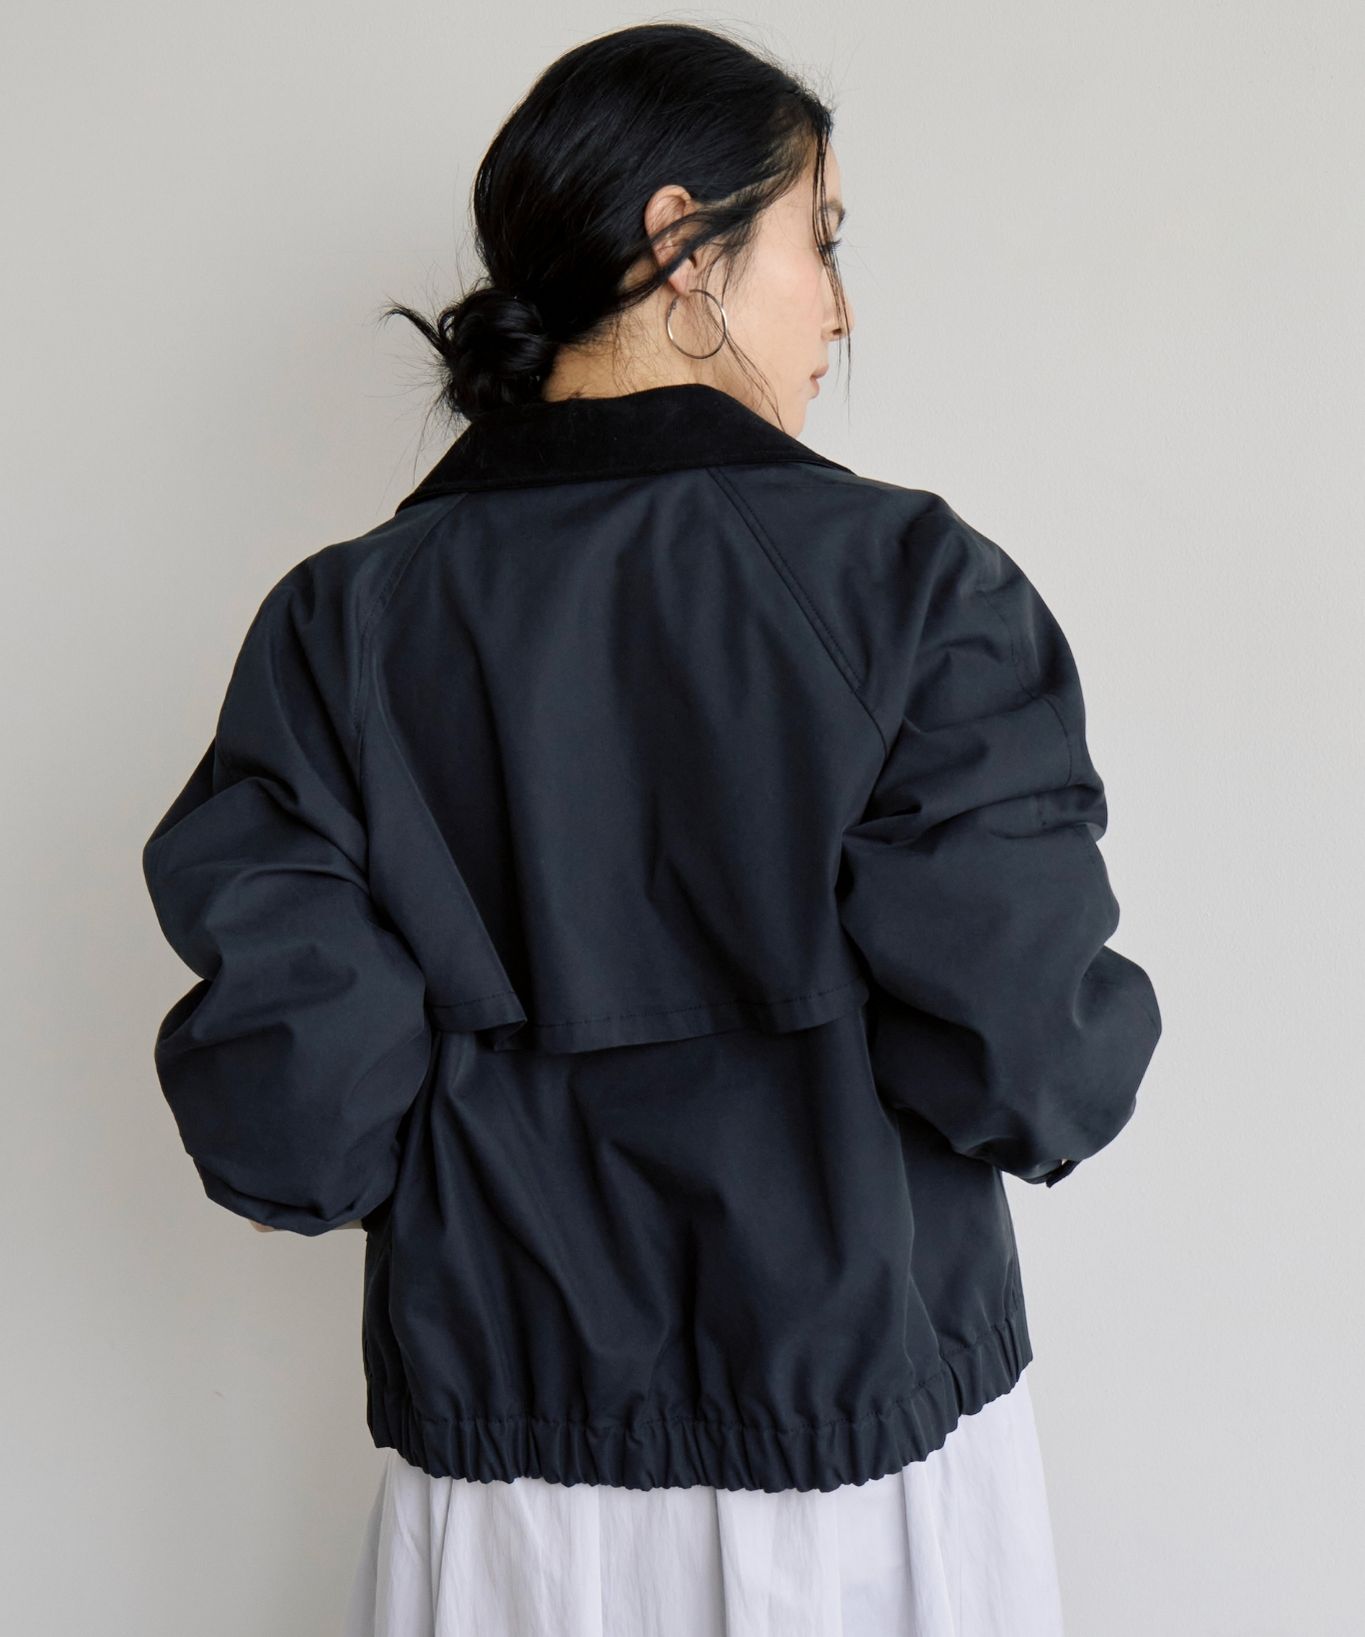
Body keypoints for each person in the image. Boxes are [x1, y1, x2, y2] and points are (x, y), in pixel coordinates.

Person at [140, 21, 1161, 1637]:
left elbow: (292, 1126)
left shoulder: (339, 627)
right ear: (682, 243)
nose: (839, 310)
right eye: (820, 241)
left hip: (505, 1499)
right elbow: (1036, 1068)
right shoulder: (911, 585)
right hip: (870, 1486)